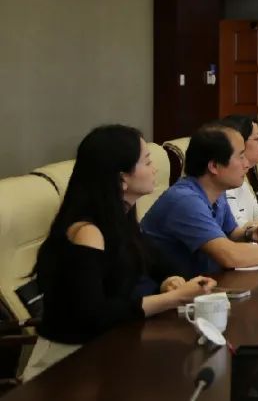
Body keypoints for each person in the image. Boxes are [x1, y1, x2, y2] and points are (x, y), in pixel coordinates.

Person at [25, 125, 216, 380]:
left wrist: (169, 280)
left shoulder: (119, 218)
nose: (154, 169)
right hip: (67, 365)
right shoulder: (87, 233)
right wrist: (174, 298)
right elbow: (93, 315)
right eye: (147, 162)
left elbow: (159, 262)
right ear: (122, 178)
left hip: (109, 350)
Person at [141, 123, 258, 276]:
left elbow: (232, 234)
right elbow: (230, 256)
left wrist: (251, 233)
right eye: (240, 157)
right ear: (214, 166)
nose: (246, 164)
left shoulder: (217, 192)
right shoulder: (185, 200)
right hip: (166, 294)